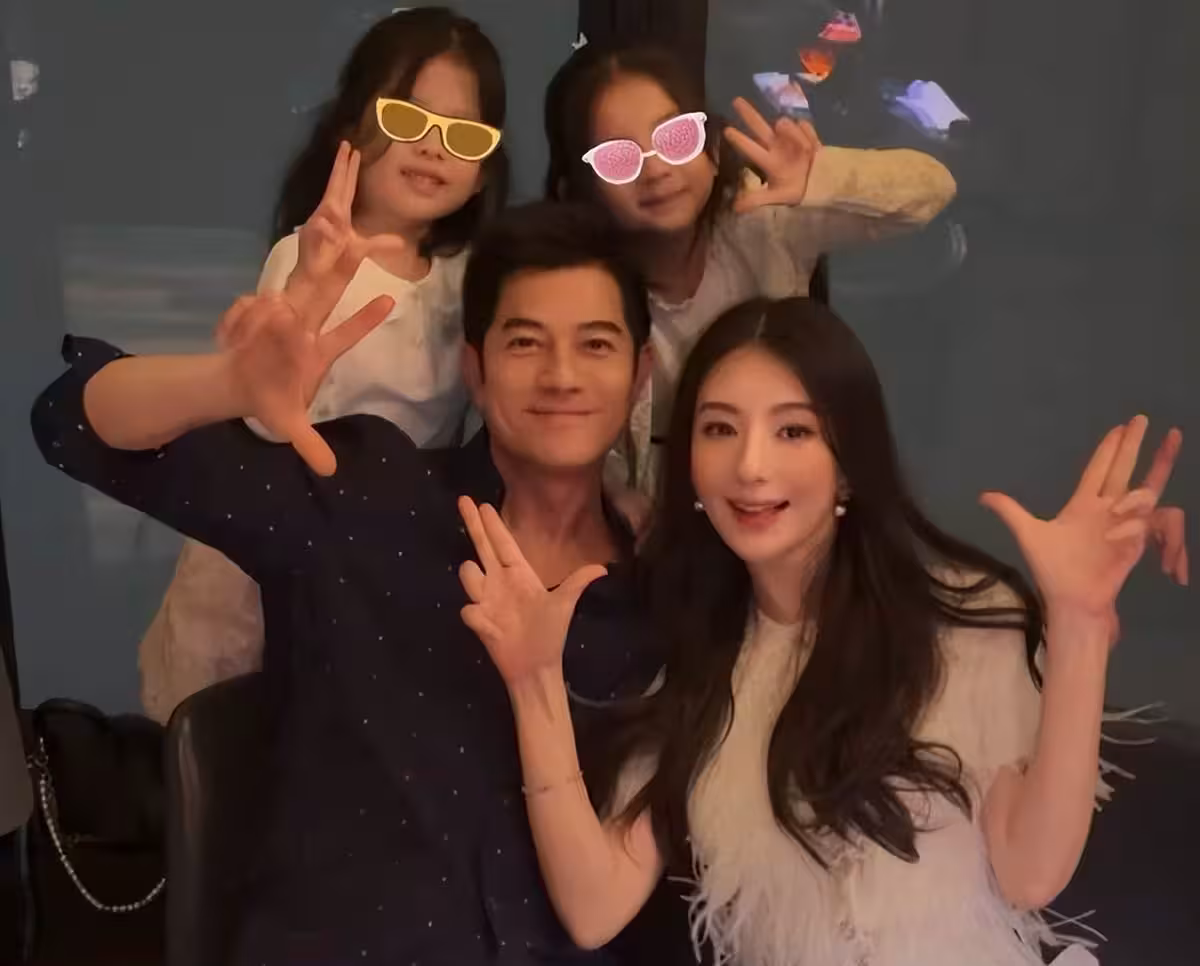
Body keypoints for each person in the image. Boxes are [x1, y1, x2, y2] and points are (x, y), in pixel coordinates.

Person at [31, 202, 691, 965]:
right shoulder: (369, 492)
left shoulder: (663, 600)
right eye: (525, 342)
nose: (562, 376)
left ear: (640, 374)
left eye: (596, 344)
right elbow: (71, 426)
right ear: (474, 370)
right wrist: (224, 384)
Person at [454, 296, 1187, 966]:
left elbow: (1030, 872)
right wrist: (533, 680)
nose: (751, 466)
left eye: (794, 430)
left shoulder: (963, 623)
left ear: (847, 465)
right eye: (719, 429)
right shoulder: (695, 664)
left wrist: (1080, 623)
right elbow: (593, 908)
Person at [138, 6, 509, 723]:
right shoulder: (306, 257)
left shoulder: (469, 279)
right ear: (352, 125)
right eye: (407, 117)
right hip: (269, 540)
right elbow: (263, 421)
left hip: (382, 556)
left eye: (462, 133)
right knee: (232, 730)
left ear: (482, 170)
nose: (432, 147)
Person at [544, 42, 958, 489]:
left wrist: (819, 178)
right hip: (652, 517)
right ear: (580, 188)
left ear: (712, 146)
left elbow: (932, 190)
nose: (657, 170)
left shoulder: (763, 220)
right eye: (618, 158)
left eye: (676, 137)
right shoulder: (574, 293)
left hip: (780, 492)